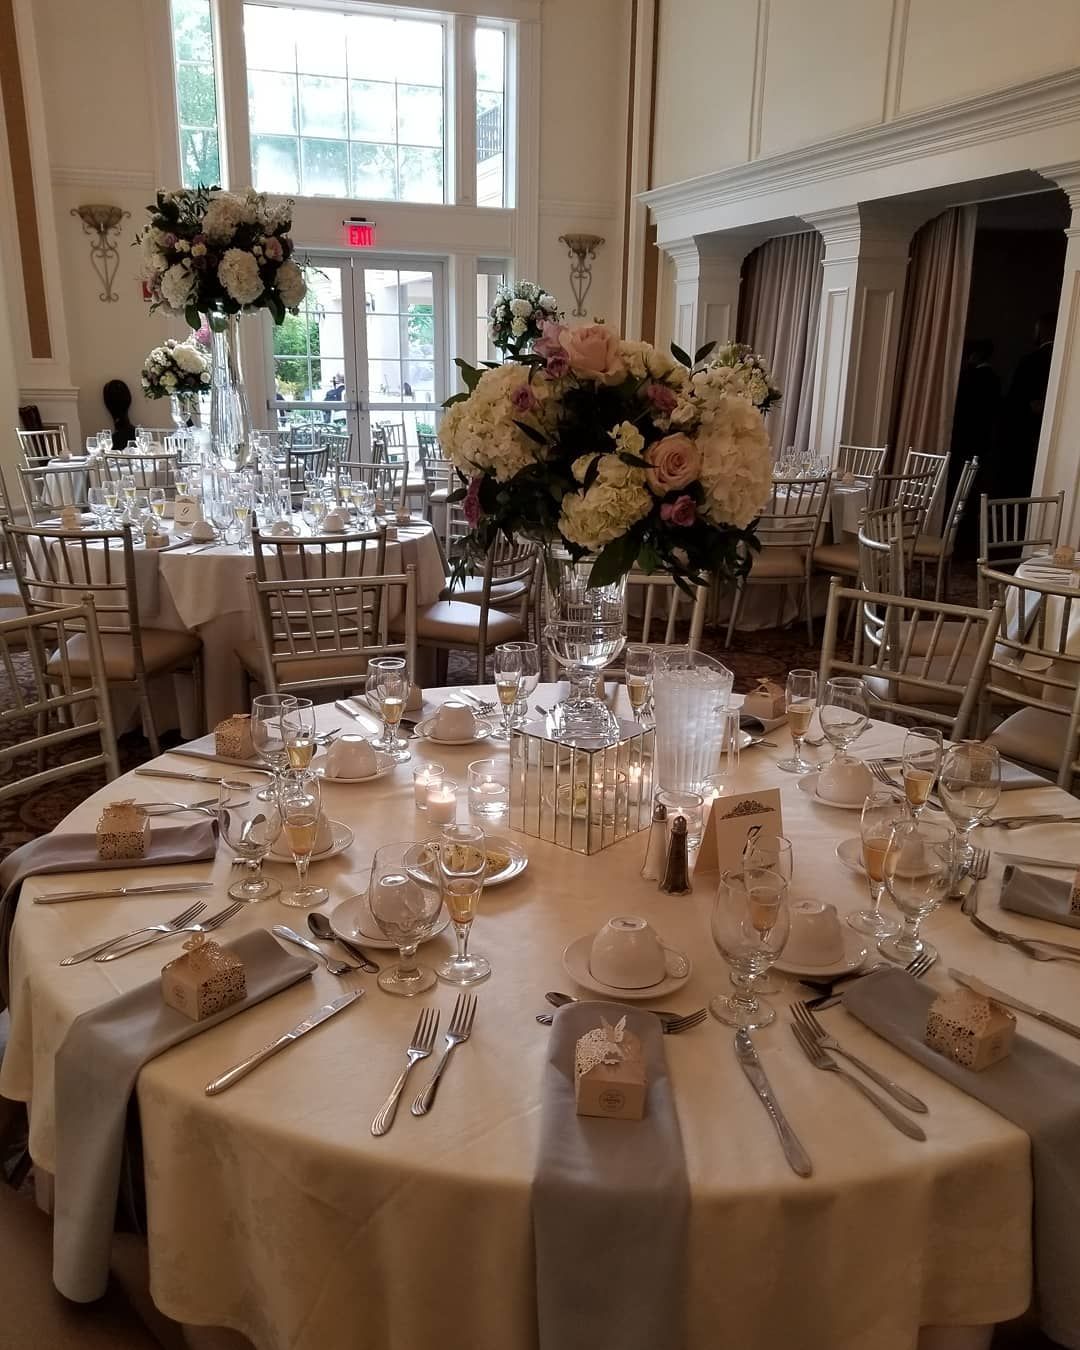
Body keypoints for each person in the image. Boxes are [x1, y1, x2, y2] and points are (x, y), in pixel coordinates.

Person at [995, 312, 1056, 499]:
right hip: (1045, 436)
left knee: (1016, 484)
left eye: (1036, 329)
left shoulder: (1031, 361)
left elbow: (1013, 400)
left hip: (1022, 435)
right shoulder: (1057, 361)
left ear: (1044, 330)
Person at [949, 339, 1000, 558]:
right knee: (970, 494)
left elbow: (961, 415)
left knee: (959, 493)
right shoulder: (995, 380)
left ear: (975, 355)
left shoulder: (971, 379)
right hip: (982, 444)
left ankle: (957, 542)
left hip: (964, 444)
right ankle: (965, 543)